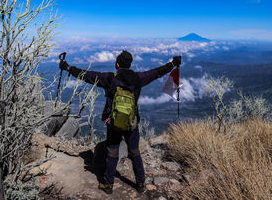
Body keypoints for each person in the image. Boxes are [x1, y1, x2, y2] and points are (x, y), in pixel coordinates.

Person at [59, 51, 181, 194]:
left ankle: (108, 184)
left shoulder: (110, 78)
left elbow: (87, 75)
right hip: (132, 122)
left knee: (112, 152)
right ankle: (141, 183)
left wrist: (68, 68)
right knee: (134, 152)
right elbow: (156, 72)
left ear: (117, 64)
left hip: (113, 123)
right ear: (130, 64)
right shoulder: (138, 78)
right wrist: (172, 64)